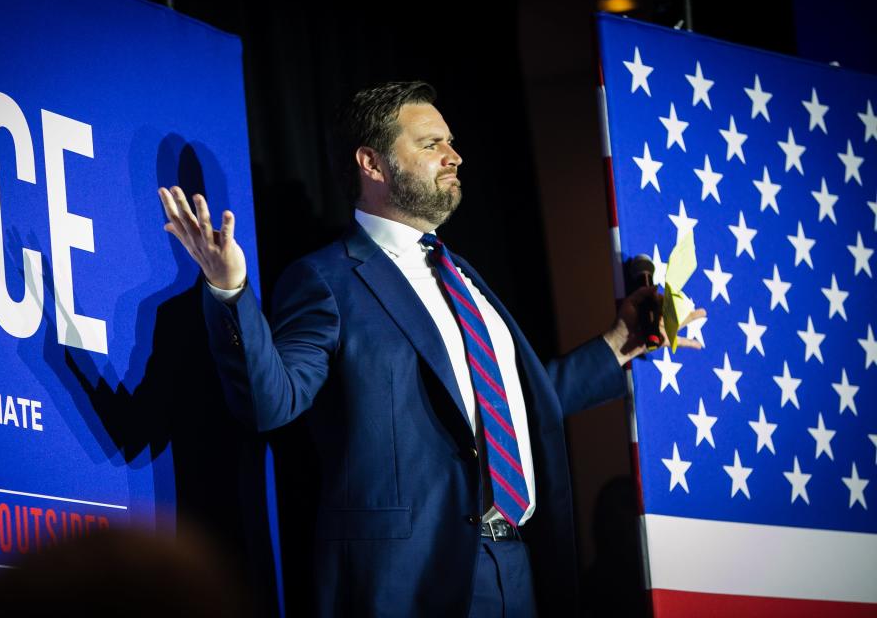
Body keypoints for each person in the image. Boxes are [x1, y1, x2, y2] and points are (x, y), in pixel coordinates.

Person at [157, 81, 703, 617]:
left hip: (514, 568)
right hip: (407, 582)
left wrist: (621, 343)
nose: (455, 156)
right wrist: (229, 291)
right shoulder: (328, 279)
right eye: (431, 144)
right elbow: (271, 402)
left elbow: (511, 413)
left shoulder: (465, 278)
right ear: (372, 164)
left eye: (451, 142)